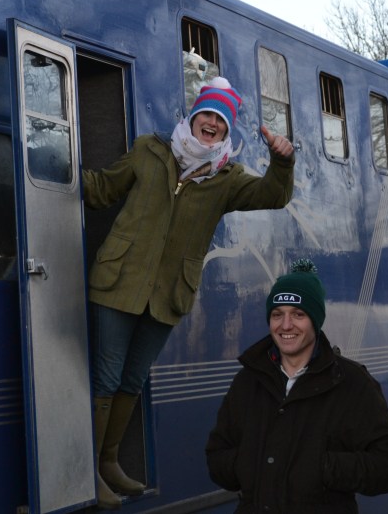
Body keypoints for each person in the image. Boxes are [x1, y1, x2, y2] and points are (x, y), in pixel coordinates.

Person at [82, 76, 295, 510]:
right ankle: (87, 470)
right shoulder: (149, 150)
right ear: (193, 117)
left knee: (132, 379)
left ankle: (107, 462)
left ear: (226, 130)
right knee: (106, 378)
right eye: (207, 115)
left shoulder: (227, 178)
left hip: (167, 295)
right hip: (119, 282)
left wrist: (282, 162)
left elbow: (274, 195)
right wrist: (49, 170)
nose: (212, 124)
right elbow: (103, 188)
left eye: (221, 119)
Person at [205, 260, 388, 513]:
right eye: (277, 314)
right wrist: (247, 465)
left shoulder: (350, 382)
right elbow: (217, 454)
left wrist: (324, 467)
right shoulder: (248, 381)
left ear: (315, 320)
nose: (286, 325)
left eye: (298, 314)